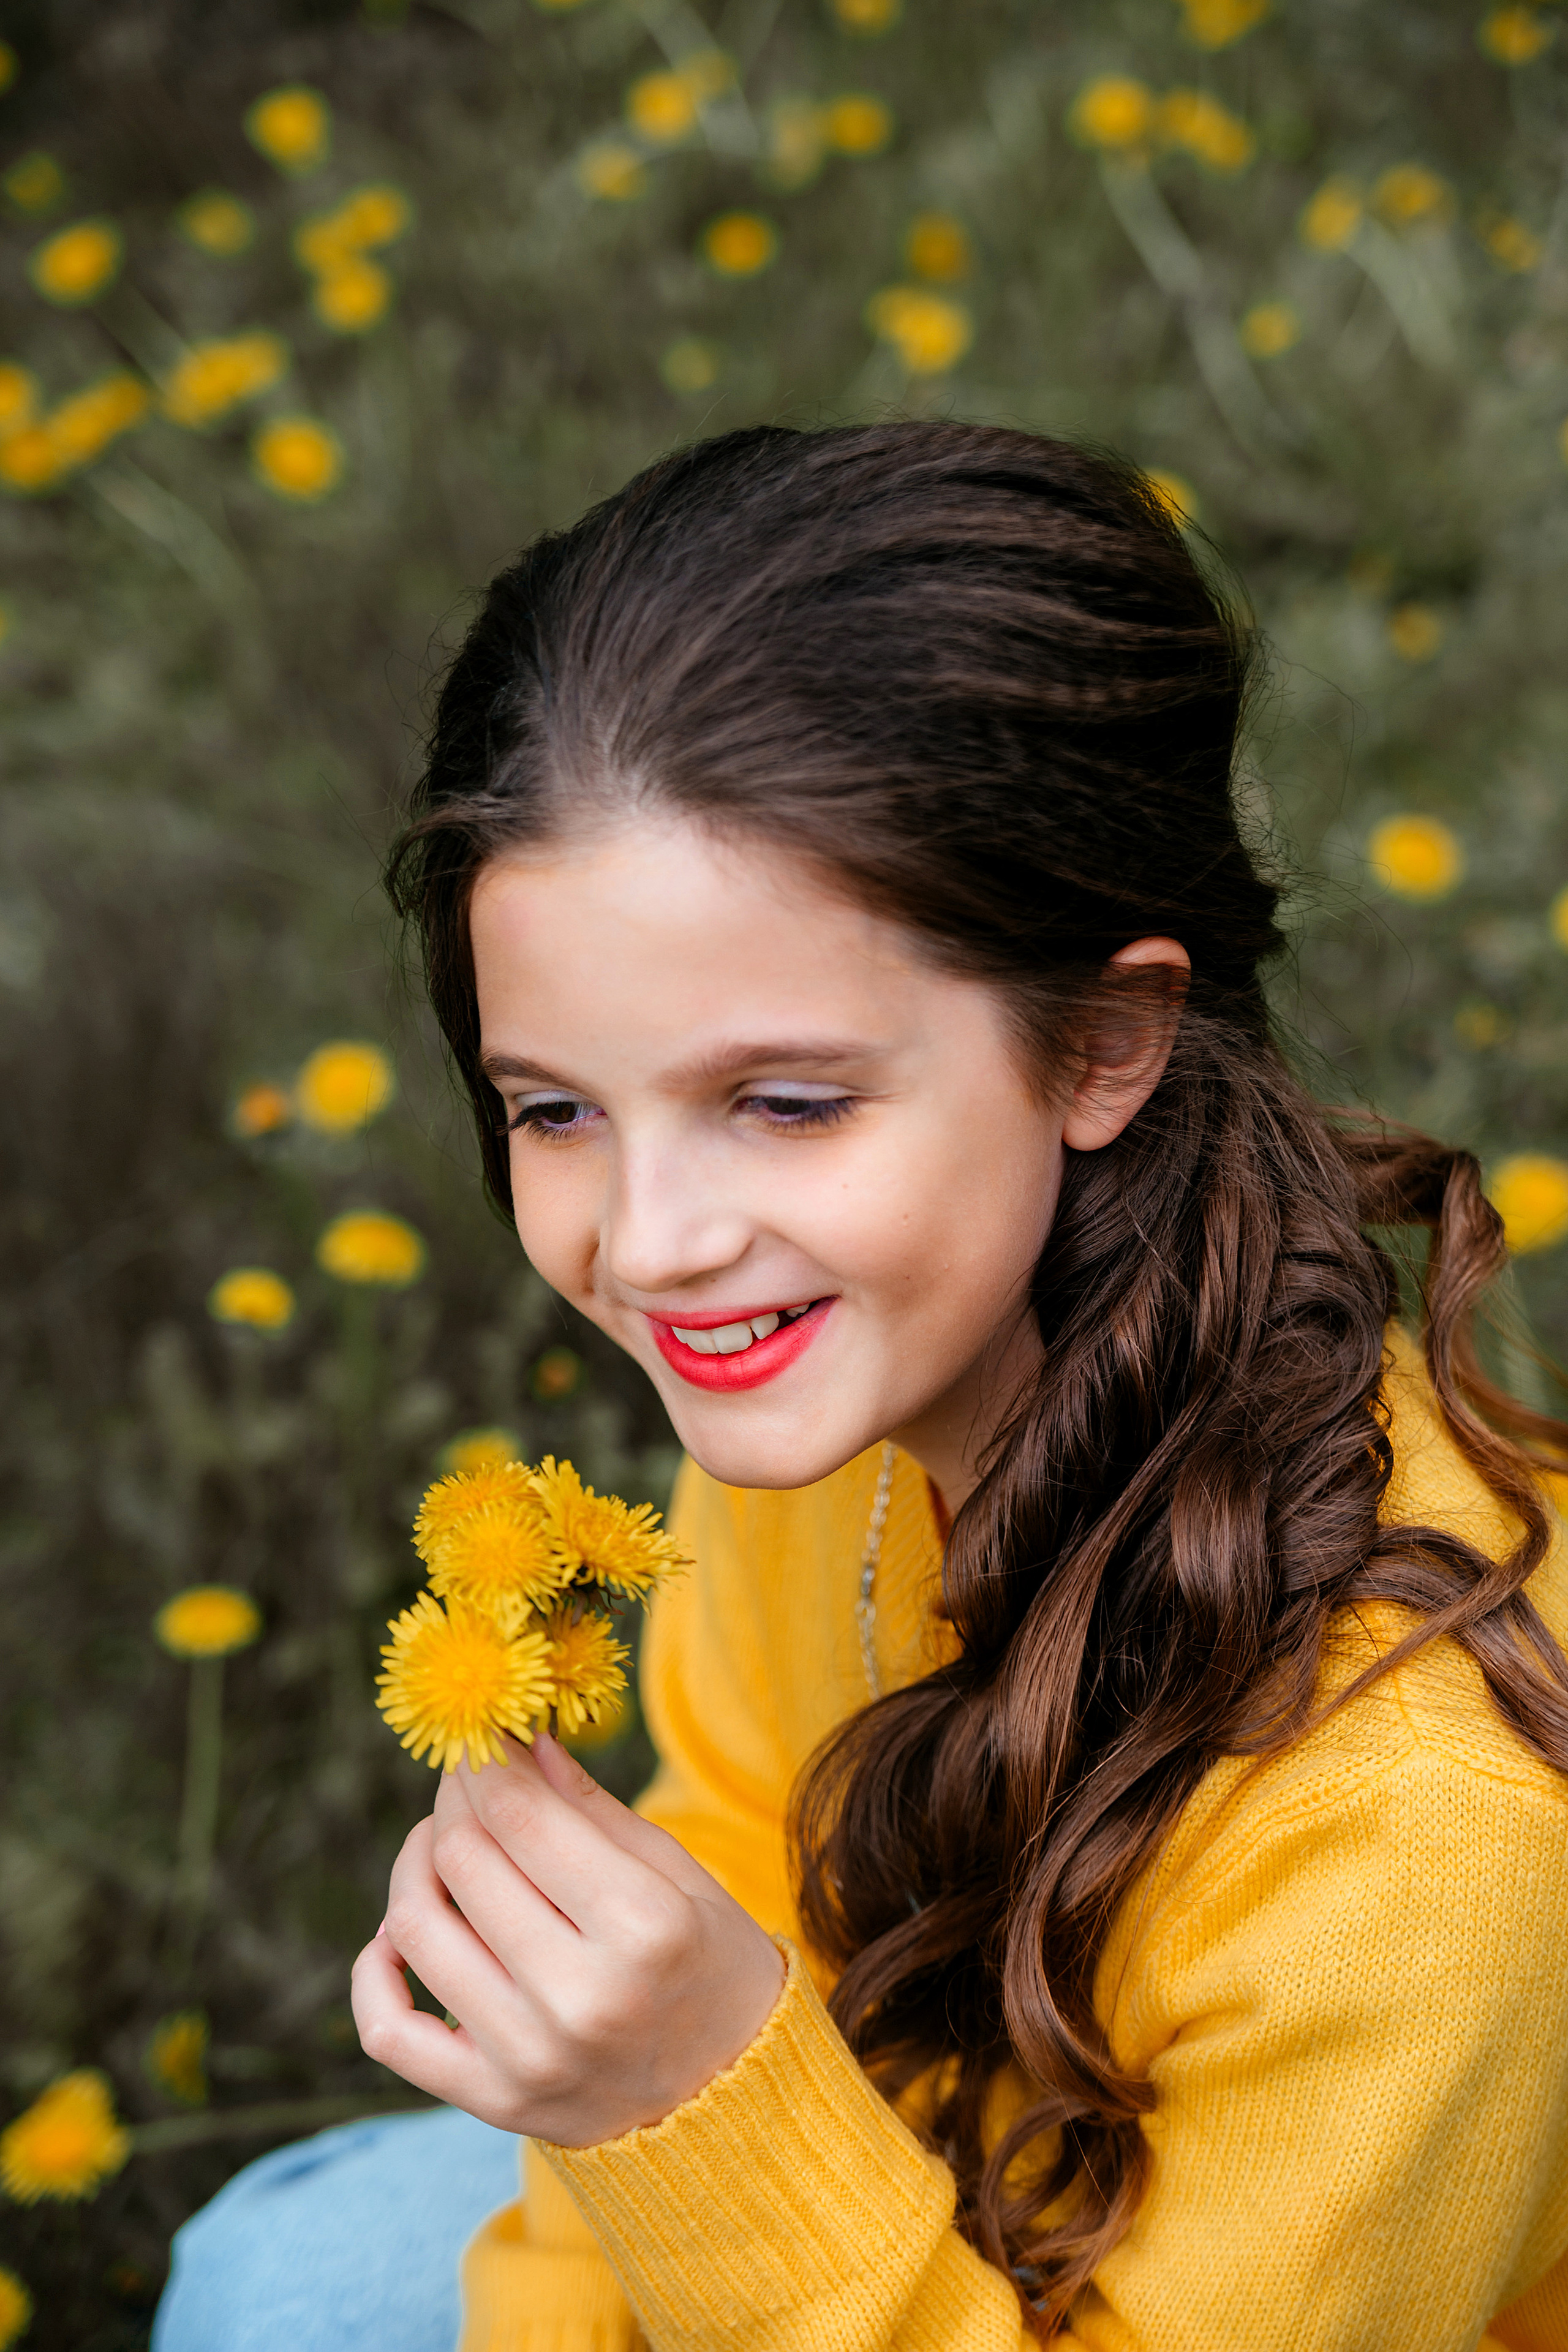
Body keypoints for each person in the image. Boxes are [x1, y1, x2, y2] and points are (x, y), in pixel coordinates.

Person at [155, 423, 1568, 2352]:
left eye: (786, 1102)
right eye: (556, 1110)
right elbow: (742, 1827)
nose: (654, 1245)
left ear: (1104, 1042)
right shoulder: (847, 1384)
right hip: (887, 2211)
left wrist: (685, 2101)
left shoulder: (1423, 1824)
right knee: (273, 2273)